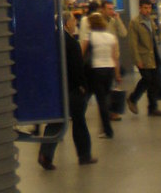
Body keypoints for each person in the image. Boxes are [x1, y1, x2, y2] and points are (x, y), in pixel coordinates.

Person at [37, 11, 96, 169]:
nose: (75, 23)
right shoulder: (71, 42)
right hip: (72, 89)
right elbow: (77, 68)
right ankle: (84, 155)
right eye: (73, 20)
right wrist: (82, 86)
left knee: (55, 122)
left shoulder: (50, 40)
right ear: (67, 23)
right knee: (79, 122)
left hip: (55, 88)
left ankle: (45, 154)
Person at [83, 12, 120, 139]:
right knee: (106, 97)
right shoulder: (110, 37)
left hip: (96, 71)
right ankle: (106, 128)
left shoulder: (90, 36)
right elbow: (114, 57)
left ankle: (107, 130)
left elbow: (83, 55)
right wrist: (117, 74)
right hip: (109, 69)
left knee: (101, 101)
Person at [127, 0, 161, 116]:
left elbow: (154, 39)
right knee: (147, 79)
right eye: (145, 8)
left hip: (153, 56)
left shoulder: (151, 21)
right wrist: (137, 60)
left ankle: (152, 108)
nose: (148, 10)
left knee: (154, 81)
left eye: (149, 8)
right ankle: (133, 99)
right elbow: (133, 43)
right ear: (140, 8)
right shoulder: (135, 23)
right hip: (143, 57)